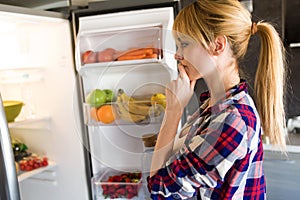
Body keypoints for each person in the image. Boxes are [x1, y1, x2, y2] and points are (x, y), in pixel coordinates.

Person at [147, 0, 287, 199]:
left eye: (184, 44)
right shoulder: (214, 106)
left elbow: (160, 190)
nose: (177, 55)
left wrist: (173, 112)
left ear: (218, 45)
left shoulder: (231, 121)